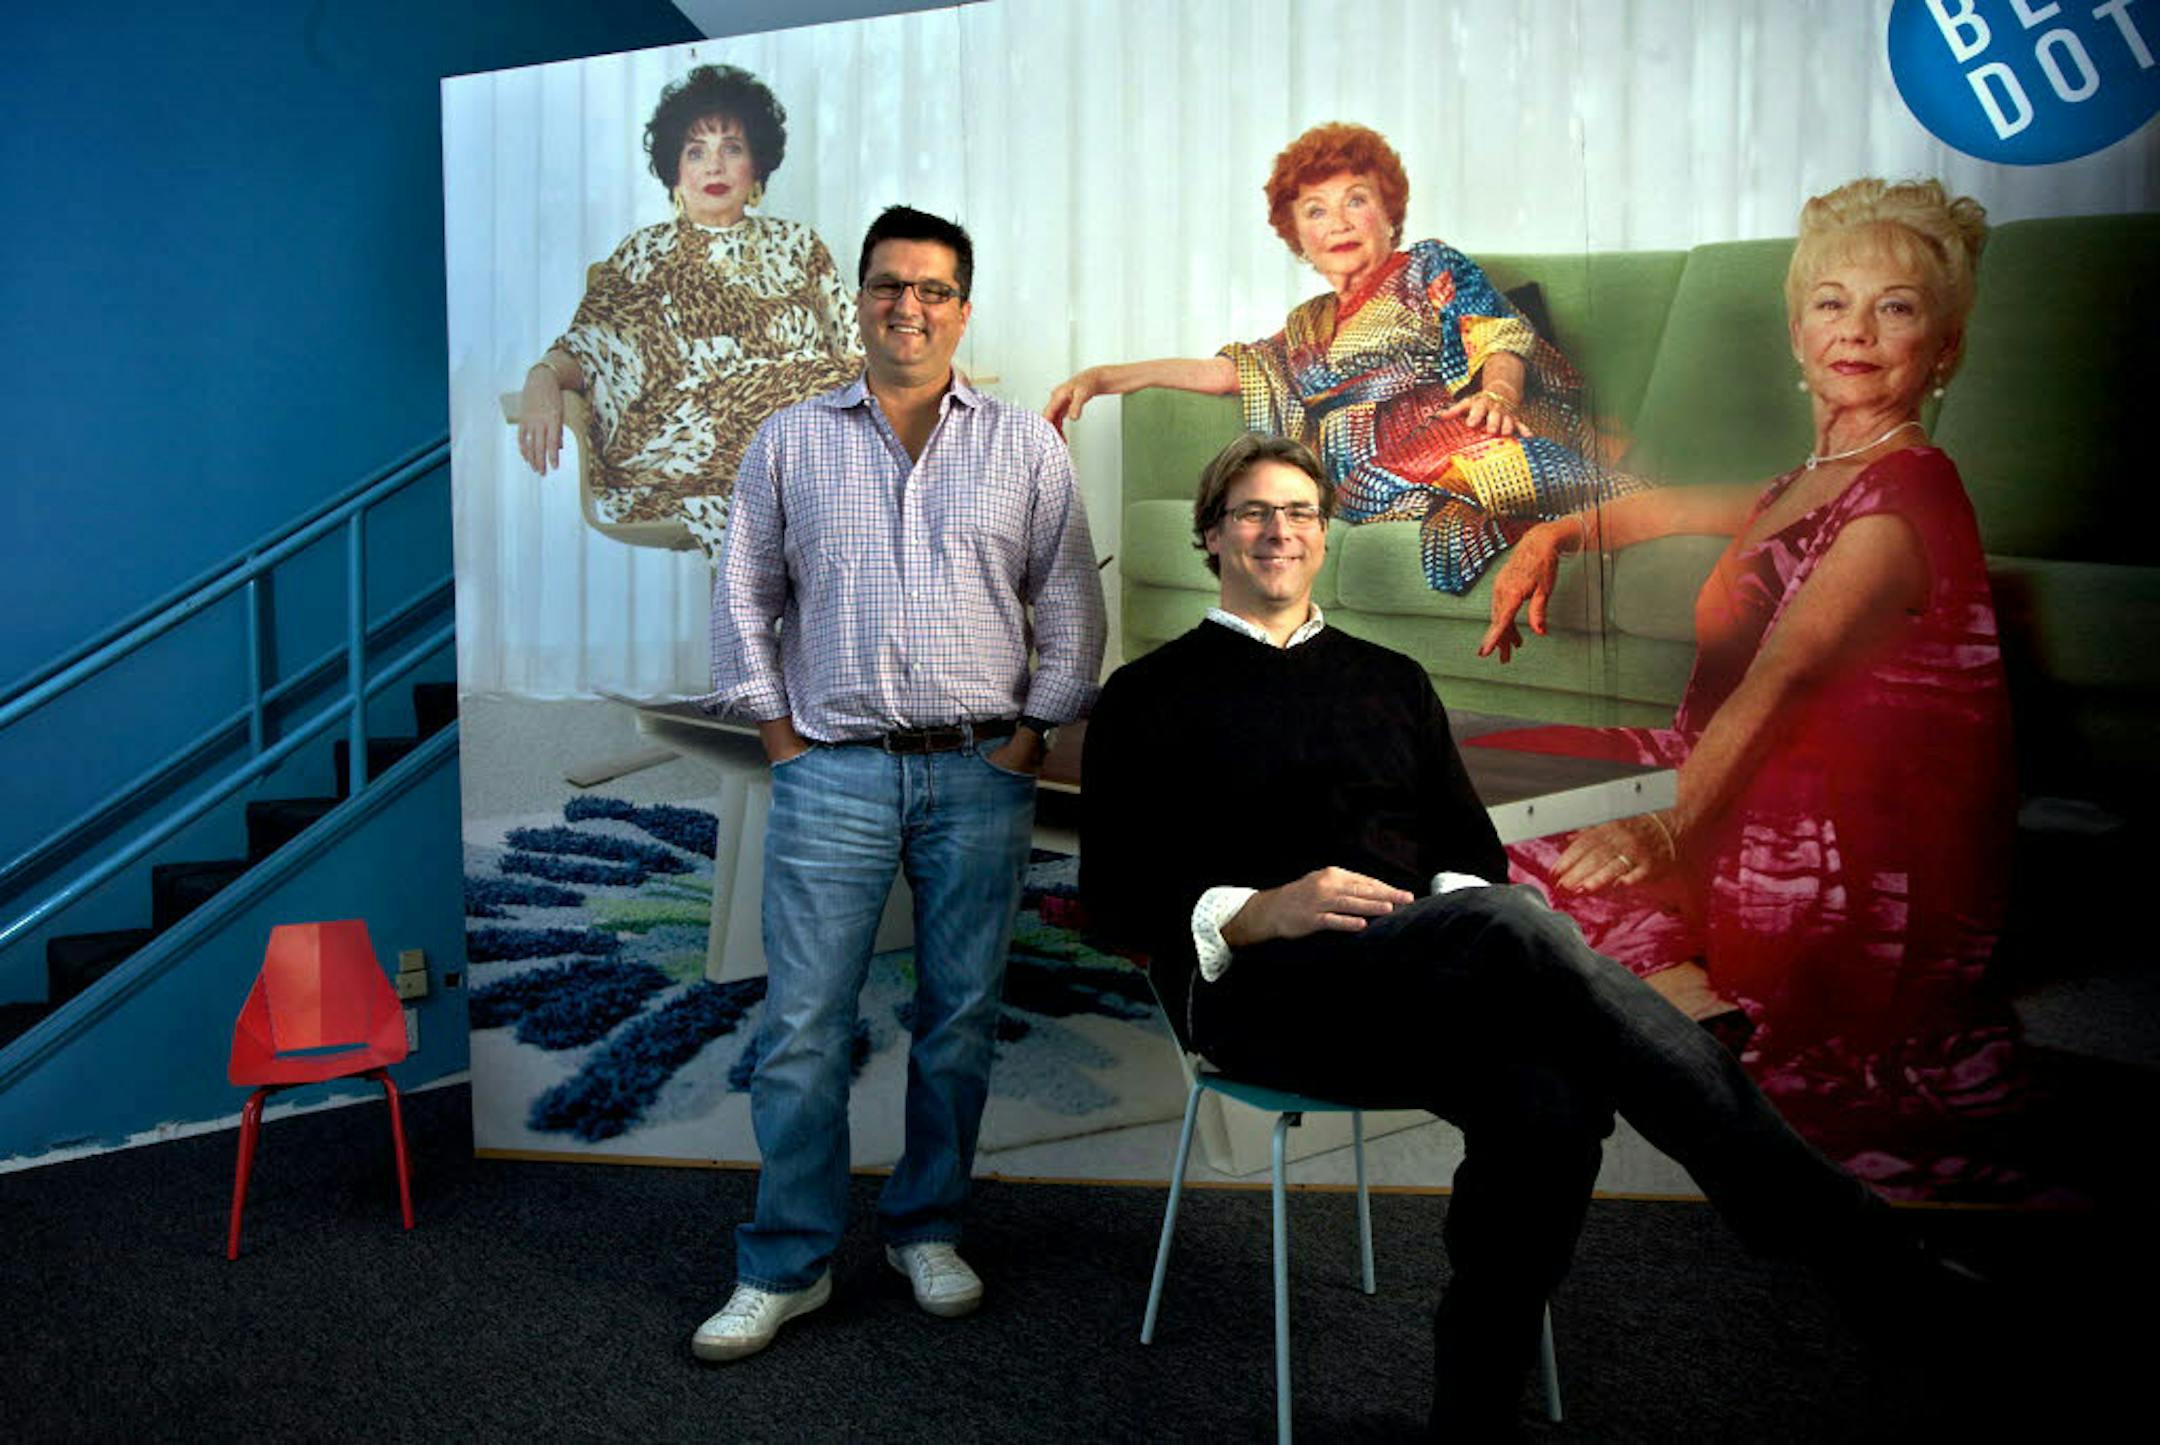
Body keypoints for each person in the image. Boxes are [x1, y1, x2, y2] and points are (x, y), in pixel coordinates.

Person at [1081, 432, 1927, 1433]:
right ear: (1211, 537)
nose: (1281, 531)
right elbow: (1115, 898)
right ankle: (1849, 1237)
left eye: (1301, 512)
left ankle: (1472, 1404)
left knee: (1551, 1091)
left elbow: (1469, 854)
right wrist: (1263, 907)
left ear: (1324, 535)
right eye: (1255, 512)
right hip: (1267, 996)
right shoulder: (1145, 694)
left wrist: (1444, 914)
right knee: (1505, 922)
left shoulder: (1392, 678)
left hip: (1423, 973)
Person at [1472, 179, 2024, 1199]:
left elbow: (1781, 676)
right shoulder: (1801, 482)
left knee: (1526, 863)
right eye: (1832, 301)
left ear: (1942, 349)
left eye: (1896, 307)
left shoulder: (1907, 495)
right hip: (1719, 760)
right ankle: (1661, 990)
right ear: (1797, 332)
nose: (1857, 329)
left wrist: (1667, 831)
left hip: (1831, 830)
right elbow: (1649, 509)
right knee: (1468, 782)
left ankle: (1695, 1012)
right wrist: (1550, 531)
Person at [693, 205, 1107, 1362]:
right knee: (803, 1026)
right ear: (861, 300)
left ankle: (926, 1227)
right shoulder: (787, 440)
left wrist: (1030, 738)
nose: (907, 306)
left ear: (962, 308)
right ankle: (786, 1261)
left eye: (932, 288)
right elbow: (742, 599)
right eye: (888, 285)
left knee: (959, 1019)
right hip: (830, 774)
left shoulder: (1024, 445)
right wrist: (781, 739)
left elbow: (1070, 601)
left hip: (982, 773)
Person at [1044, 122, 1644, 594]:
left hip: (1453, 433)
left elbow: (1495, 334)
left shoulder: (1427, 266)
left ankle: (1635, 504)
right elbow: (1229, 371)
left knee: (1480, 457)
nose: (1338, 223)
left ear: (1388, 213)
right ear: (1298, 236)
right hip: (1361, 481)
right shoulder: (1306, 322)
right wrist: (1102, 377)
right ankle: (1590, 507)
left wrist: (1499, 394)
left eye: (1356, 201)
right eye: (1315, 211)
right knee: (1369, 484)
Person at [515, 65, 860, 559]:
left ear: (756, 165)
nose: (714, 167)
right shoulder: (646, 254)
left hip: (805, 438)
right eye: (696, 151)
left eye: (732, 148)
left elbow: (852, 349)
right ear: (675, 171)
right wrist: (543, 377)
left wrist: (919, 374)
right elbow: (593, 348)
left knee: (842, 407)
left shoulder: (799, 245)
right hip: (689, 436)